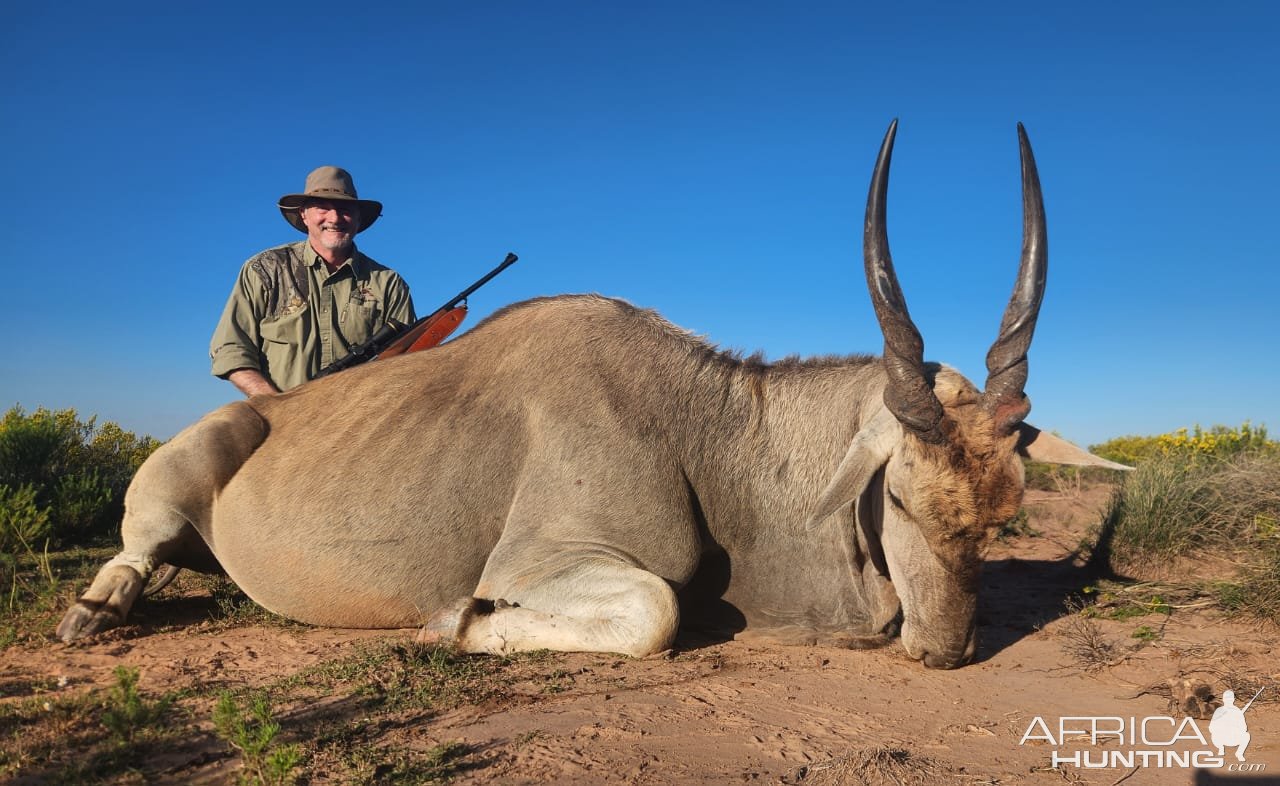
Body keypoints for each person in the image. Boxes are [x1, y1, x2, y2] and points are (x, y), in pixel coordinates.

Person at [210, 166, 416, 395]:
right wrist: (274, 403)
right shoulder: (265, 269)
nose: (335, 218)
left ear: (358, 218)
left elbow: (406, 365)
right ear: (304, 215)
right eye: (323, 208)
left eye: (345, 209)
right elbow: (230, 347)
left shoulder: (388, 283)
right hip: (282, 419)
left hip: (359, 421)